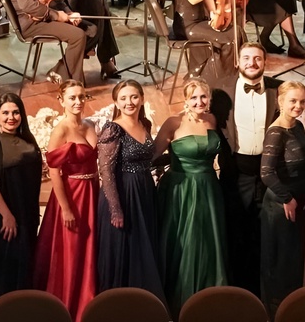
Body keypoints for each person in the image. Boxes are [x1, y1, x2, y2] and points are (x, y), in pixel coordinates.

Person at [208, 42, 282, 295]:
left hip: (268, 174)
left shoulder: (278, 90)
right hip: (235, 173)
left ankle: (260, 299)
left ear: (265, 62)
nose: (252, 63)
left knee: (264, 239)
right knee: (235, 238)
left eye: (257, 58)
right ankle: (235, 297)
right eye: (247, 58)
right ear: (237, 62)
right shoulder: (220, 91)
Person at [153, 79, 228, 316]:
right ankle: (181, 301)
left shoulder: (213, 120)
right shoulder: (173, 123)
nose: (199, 102)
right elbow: (152, 156)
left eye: (203, 96)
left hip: (208, 189)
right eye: (193, 97)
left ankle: (209, 300)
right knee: (185, 243)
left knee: (209, 243)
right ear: (185, 99)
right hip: (182, 191)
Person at [33, 80, 99, 322]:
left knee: (90, 247)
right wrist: (66, 208)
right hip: (72, 195)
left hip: (92, 192)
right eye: (72, 97)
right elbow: (54, 172)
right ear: (61, 100)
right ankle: (70, 304)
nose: (78, 101)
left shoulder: (90, 124)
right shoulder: (60, 130)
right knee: (72, 249)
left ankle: (89, 300)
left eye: (81, 96)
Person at [96, 80, 166, 303]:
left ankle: (144, 303)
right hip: (123, 194)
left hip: (144, 191)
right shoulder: (113, 129)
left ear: (142, 99)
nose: (129, 102)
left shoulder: (145, 123)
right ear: (116, 102)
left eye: (134, 97)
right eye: (123, 98)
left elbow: (147, 158)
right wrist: (116, 209)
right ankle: (119, 305)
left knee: (143, 248)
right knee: (125, 249)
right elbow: (106, 171)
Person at [0, 93, 43, 301]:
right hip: (2, 215)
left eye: (15, 112)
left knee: (25, 267)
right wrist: (6, 215)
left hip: (26, 214)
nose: (11, 117)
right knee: (5, 268)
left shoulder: (28, 140)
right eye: (5, 113)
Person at [260, 81, 305, 318]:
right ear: (280, 101)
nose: (298, 106)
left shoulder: (297, 126)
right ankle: (276, 314)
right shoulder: (276, 132)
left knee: (293, 262)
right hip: (280, 206)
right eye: (293, 101)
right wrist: (288, 198)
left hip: (296, 201)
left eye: (302, 101)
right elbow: (266, 173)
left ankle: (292, 312)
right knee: (280, 264)